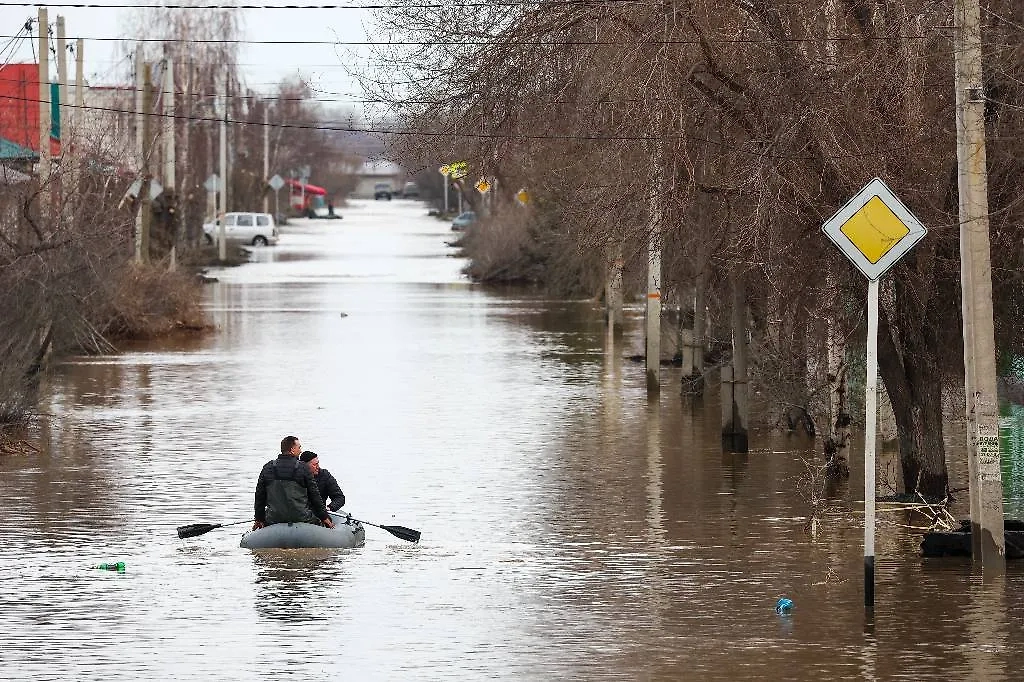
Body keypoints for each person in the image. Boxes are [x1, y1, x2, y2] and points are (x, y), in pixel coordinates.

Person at [253, 436, 334, 531]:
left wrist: (258, 518)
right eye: (299, 447)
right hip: (302, 518)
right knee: (323, 522)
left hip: (273, 519)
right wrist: (325, 517)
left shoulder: (267, 468)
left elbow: (259, 497)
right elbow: (314, 496)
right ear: (292, 449)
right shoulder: (303, 468)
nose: (300, 451)